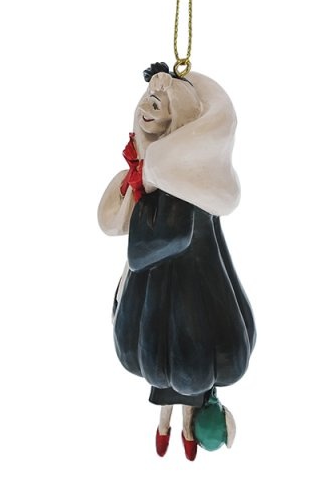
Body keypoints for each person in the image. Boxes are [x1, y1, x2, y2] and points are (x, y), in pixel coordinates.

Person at [98, 62, 256, 460]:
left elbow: (163, 238)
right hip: (157, 301)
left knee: (183, 363)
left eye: (159, 105)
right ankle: (165, 423)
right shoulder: (159, 175)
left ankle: (186, 424)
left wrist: (143, 208)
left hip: (186, 297)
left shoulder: (182, 184)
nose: (146, 110)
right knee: (163, 368)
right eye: (147, 100)